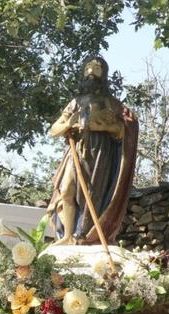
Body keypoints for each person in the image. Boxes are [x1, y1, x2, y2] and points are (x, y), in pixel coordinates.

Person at [47, 56, 139, 245]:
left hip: (99, 153)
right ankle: (67, 236)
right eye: (88, 67)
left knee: (92, 194)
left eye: (97, 68)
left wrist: (103, 127)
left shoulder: (110, 103)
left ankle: (85, 236)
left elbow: (126, 127)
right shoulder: (75, 103)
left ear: (103, 74)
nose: (91, 71)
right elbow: (53, 130)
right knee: (66, 190)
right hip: (76, 150)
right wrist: (69, 125)